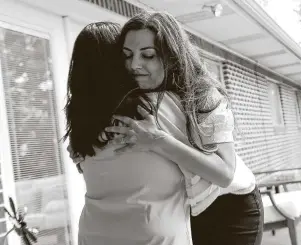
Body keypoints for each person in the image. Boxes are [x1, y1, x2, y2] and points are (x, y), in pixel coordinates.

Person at [66, 12, 263, 245]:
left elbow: (225, 174)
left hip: (230, 203)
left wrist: (158, 140)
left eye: (148, 55)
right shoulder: (136, 101)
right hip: (189, 209)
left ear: (171, 56)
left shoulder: (200, 96)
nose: (134, 65)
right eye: (126, 56)